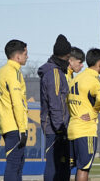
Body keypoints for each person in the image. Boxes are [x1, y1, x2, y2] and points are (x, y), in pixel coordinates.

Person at [68, 48, 100, 181]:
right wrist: (93, 113)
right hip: (86, 130)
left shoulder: (77, 78)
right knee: (84, 168)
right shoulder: (93, 80)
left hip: (73, 128)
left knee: (76, 167)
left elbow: (86, 101)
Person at [39, 34, 73, 181]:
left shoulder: (55, 71)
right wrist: (60, 126)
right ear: (65, 56)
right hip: (55, 128)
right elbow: (56, 102)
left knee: (61, 165)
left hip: (56, 125)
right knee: (54, 165)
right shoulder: (54, 73)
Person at [0, 39, 29, 181]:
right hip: (15, 126)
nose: (27, 57)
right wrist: (22, 128)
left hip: (6, 124)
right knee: (14, 165)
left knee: (17, 164)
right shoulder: (12, 72)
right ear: (18, 56)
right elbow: (17, 102)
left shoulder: (2, 71)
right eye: (26, 54)